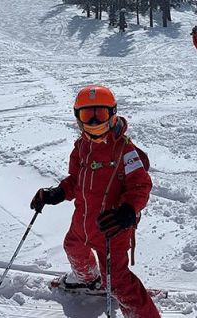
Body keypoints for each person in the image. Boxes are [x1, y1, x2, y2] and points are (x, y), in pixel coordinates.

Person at [30, 85, 160, 318]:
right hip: (83, 221)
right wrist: (57, 193)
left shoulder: (125, 150)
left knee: (118, 279)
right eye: (86, 115)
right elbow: (75, 180)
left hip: (113, 227)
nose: (93, 122)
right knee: (73, 248)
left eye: (99, 114)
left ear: (112, 114)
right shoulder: (81, 146)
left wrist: (128, 211)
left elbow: (140, 185)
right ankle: (89, 280)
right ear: (77, 118)